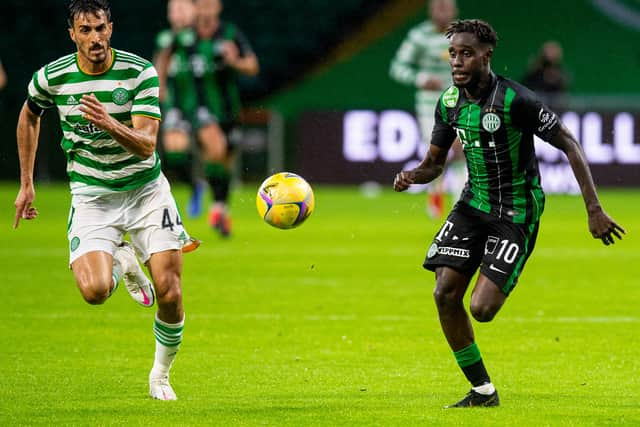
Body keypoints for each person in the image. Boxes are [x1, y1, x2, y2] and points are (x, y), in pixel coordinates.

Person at [393, 19, 624, 408]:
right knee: (445, 293)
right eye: (453, 54)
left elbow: (569, 144)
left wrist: (594, 210)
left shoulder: (517, 100)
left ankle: (503, 260)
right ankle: (483, 391)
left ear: (487, 55)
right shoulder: (449, 102)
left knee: (481, 310)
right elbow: (434, 163)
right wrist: (413, 174)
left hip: (516, 211)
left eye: (466, 54)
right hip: (473, 203)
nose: (457, 62)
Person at [14, 0, 193, 400]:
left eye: (101, 28)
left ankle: (160, 376)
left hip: (146, 190)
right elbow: (29, 114)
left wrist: (109, 121)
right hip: (93, 196)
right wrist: (26, 183)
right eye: (86, 30)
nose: (95, 38)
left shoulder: (138, 72)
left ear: (111, 28)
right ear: (73, 34)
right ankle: (123, 262)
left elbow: (147, 145)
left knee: (170, 290)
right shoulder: (52, 77)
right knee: (94, 291)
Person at [157, 0, 259, 237]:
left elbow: (253, 66)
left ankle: (220, 207)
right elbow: (163, 57)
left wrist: (235, 62)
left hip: (227, 109)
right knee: (187, 149)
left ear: (218, 7)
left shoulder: (230, 33)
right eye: (200, 5)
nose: (204, 9)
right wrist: (160, 85)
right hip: (195, 108)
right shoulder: (184, 36)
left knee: (223, 159)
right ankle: (202, 192)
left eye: (208, 4)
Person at [390, 0, 464, 219]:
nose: (441, 11)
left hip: (459, 100)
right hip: (429, 105)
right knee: (435, 153)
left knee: (462, 151)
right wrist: (420, 78)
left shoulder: (463, 35)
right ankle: (435, 200)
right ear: (430, 11)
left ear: (454, 10)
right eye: (437, 7)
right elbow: (397, 67)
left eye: (446, 7)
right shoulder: (418, 36)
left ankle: (460, 204)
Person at [154, 0, 205, 218]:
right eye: (173, 10)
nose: (177, 14)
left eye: (182, 9)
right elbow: (160, 62)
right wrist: (160, 84)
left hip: (202, 103)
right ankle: (196, 186)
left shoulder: (202, 35)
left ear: (195, 11)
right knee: (174, 152)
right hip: (176, 104)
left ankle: (217, 199)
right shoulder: (165, 38)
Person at [522, 40, 570, 109]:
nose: (550, 56)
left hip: (554, 110)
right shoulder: (534, 73)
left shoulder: (561, 76)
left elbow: (563, 97)